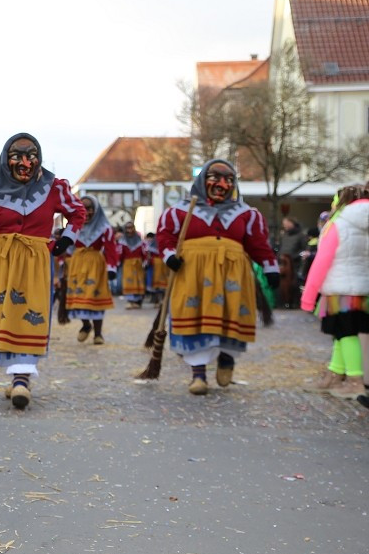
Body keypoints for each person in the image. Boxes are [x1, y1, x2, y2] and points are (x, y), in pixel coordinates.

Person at [0, 133, 87, 409]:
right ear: (6, 159)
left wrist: (67, 237)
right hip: (2, 261)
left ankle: (21, 379)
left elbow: (77, 212)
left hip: (35, 261)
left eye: (31, 155)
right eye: (17, 155)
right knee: (5, 315)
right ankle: (16, 377)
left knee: (29, 314)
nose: (25, 162)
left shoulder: (54, 188)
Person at [156, 159, 279, 395]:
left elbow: (258, 244)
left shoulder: (246, 214)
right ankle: (198, 374)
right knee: (193, 317)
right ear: (203, 180)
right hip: (192, 274)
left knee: (230, 315)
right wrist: (170, 256)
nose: (223, 184)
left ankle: (226, 359)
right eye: (216, 177)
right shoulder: (181, 210)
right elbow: (165, 237)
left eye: (229, 179)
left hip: (232, 274)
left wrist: (270, 267)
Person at [301, 185, 369, 398]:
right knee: (342, 334)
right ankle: (335, 374)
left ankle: (354, 380)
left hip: (339, 290)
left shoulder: (338, 225)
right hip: (362, 289)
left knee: (345, 334)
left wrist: (309, 297)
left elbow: (321, 261)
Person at [65, 196, 118, 345]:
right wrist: (63, 263)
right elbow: (67, 246)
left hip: (96, 265)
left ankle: (98, 333)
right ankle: (86, 325)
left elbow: (110, 249)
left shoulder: (104, 228)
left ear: (96, 209)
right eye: (83, 208)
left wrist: (111, 267)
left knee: (95, 297)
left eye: (89, 208)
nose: (87, 212)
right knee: (79, 296)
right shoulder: (74, 226)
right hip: (78, 264)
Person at [276, 217, 308, 308]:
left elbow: (303, 248)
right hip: (283, 263)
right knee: (282, 283)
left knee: (294, 284)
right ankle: (283, 302)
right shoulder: (284, 235)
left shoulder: (300, 235)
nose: (284, 225)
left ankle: (294, 302)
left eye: (286, 223)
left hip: (294, 263)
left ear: (291, 223)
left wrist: (296, 256)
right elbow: (281, 247)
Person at [119, 222, 147, 309]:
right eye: (127, 228)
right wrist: (118, 262)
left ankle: (138, 301)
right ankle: (130, 301)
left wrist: (145, 261)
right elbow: (120, 254)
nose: (129, 230)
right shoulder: (122, 242)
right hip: (127, 264)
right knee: (129, 281)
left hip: (138, 264)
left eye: (131, 228)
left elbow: (144, 253)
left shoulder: (140, 241)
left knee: (138, 281)